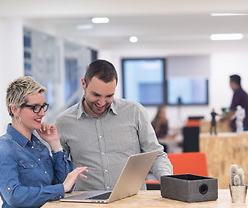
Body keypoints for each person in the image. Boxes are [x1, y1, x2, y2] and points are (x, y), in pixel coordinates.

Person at [0, 76, 88, 208]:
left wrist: (55, 145)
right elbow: (14, 195)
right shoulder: (3, 149)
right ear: (15, 110)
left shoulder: (40, 146)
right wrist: (60, 189)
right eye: (35, 107)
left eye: (43, 106)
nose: (42, 113)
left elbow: (65, 186)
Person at [55, 59, 173, 191]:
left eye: (109, 96)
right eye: (96, 95)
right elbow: (59, 167)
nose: (102, 102)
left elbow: (155, 154)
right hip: (88, 204)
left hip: (132, 201)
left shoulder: (134, 111)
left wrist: (168, 182)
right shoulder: (64, 122)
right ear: (83, 84)